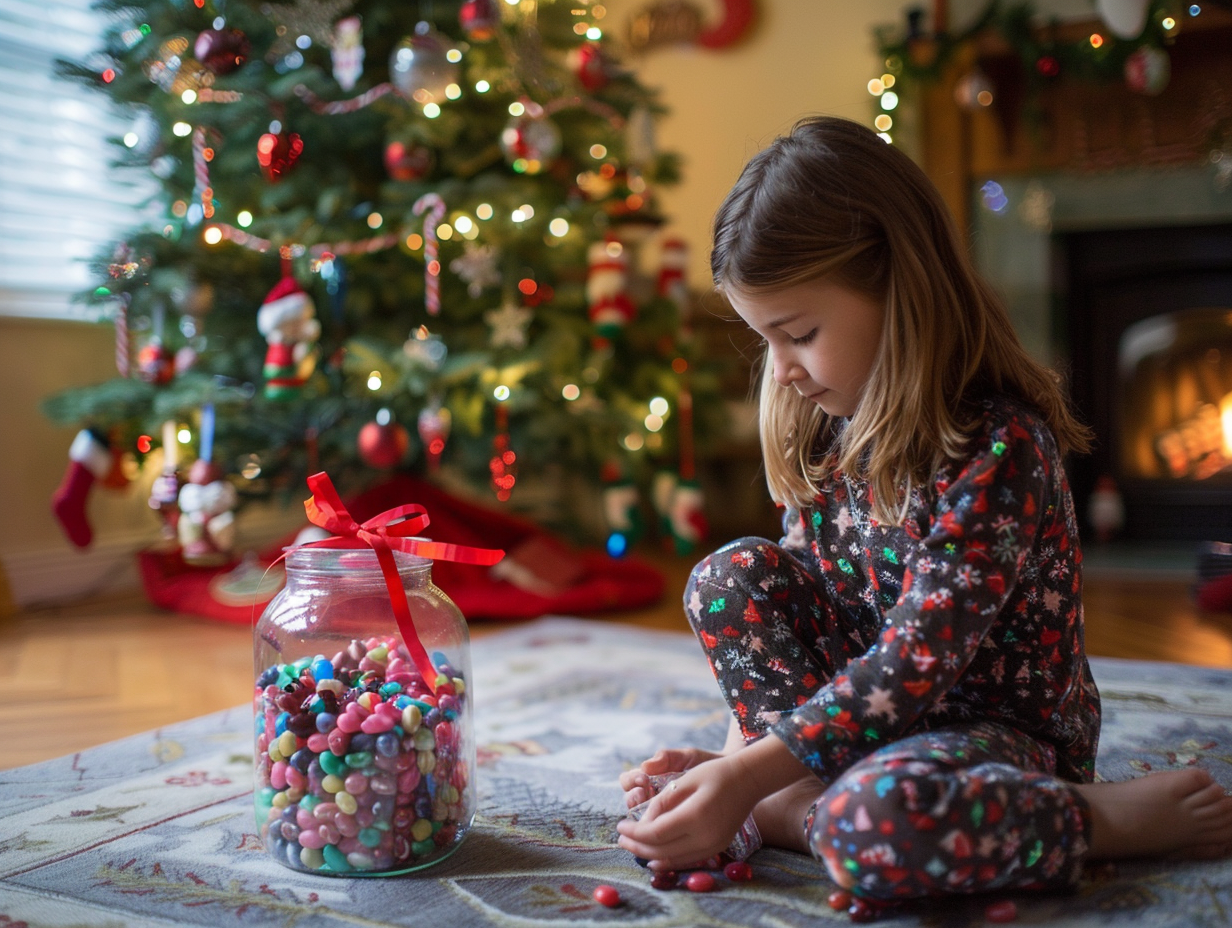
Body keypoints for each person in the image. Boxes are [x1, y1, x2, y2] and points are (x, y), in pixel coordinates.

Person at [616, 116, 1232, 904]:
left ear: (898, 290)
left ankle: (1096, 818)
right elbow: (802, 630)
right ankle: (799, 802)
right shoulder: (826, 427)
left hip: (997, 738)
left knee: (872, 827)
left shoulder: (1000, 448)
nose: (784, 370)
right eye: (764, 340)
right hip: (861, 734)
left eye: (799, 333)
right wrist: (742, 759)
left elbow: (913, 666)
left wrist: (744, 780)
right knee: (726, 577)